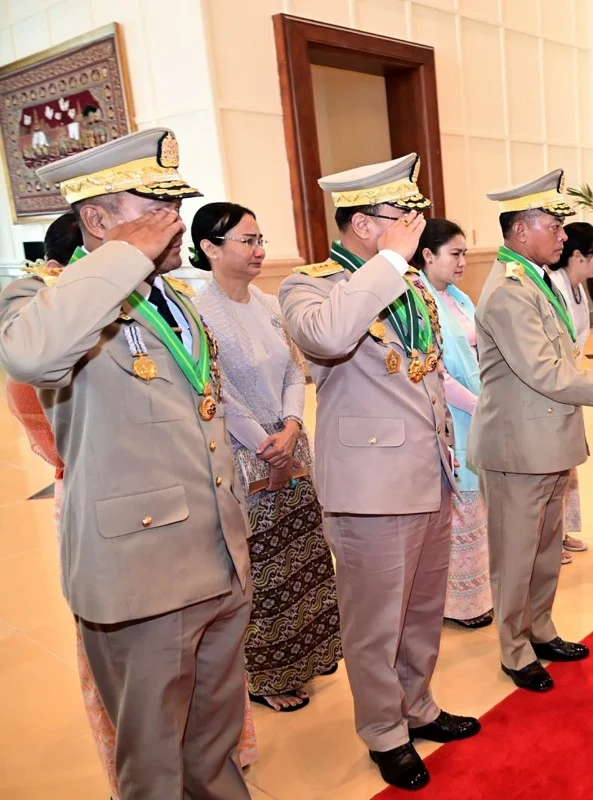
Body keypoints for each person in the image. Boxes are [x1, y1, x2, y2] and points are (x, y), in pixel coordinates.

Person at [0, 128, 254, 799]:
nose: (174, 222)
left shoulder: (177, 297)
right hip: (142, 573)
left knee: (215, 738)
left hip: (218, 553)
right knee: (153, 761)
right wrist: (122, 257)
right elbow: (30, 357)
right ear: (97, 219)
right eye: (155, 209)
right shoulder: (42, 298)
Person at [279, 154, 480, 791]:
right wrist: (390, 262)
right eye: (404, 218)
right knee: (374, 622)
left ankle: (416, 706)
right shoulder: (309, 286)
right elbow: (331, 338)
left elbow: (425, 368)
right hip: (370, 485)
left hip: (430, 470)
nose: (418, 227)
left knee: (422, 610)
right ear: (366, 225)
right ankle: (384, 732)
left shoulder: (413, 284)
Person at [468, 169, 593, 694]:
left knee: (546, 546)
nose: (562, 235)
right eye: (553, 224)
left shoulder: (534, 280)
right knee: (516, 551)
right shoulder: (508, 291)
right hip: (518, 446)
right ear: (521, 230)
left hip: (546, 441)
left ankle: (541, 627)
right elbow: (548, 371)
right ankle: (514, 647)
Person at [192, 202, 343, 712]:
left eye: (261, 239)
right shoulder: (199, 311)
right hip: (241, 454)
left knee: (302, 554)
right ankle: (265, 676)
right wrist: (264, 440)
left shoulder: (269, 304)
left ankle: (306, 657)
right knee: (259, 564)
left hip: (291, 446)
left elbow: (292, 370)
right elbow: (212, 386)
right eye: (246, 241)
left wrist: (292, 426)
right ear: (210, 249)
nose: (259, 250)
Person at [415, 218, 494, 629]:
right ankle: (459, 604)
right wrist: (480, 405)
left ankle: (480, 594)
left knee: (478, 506)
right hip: (452, 416)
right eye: (455, 253)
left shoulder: (460, 299)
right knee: (459, 506)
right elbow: (436, 372)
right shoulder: (418, 301)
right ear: (427, 255)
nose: (463, 261)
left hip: (480, 410)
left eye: (465, 253)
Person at [548, 221, 593, 564]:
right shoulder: (552, 287)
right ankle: (549, 539)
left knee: (567, 464)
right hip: (556, 385)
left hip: (571, 383)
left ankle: (563, 531)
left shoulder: (578, 287)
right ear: (578, 256)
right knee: (553, 465)